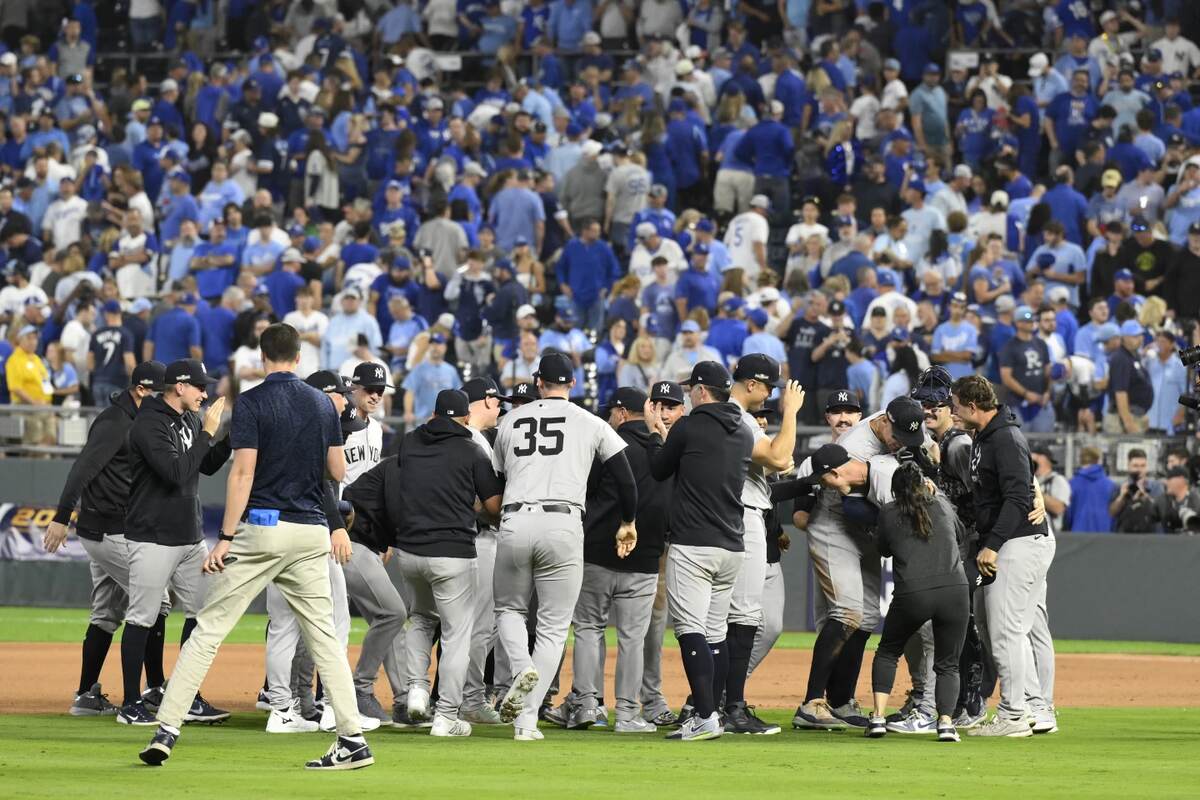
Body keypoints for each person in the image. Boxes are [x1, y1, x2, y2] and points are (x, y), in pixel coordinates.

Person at [137, 325, 374, 771]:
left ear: (263, 357)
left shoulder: (253, 401)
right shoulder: (322, 402)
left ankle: (166, 730)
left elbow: (241, 474)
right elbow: (337, 469)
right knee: (325, 638)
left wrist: (224, 537)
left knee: (208, 630)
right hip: (310, 532)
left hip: (263, 528)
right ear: (298, 357)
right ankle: (353, 739)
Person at [490, 352, 637, 741]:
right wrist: (628, 521)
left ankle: (520, 667)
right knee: (554, 628)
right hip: (564, 521)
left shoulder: (509, 421)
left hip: (515, 517)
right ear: (572, 384)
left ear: (539, 383)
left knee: (508, 609)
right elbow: (626, 478)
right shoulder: (590, 421)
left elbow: (497, 480)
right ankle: (526, 722)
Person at [792, 395, 927, 731]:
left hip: (863, 529)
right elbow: (855, 508)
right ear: (883, 424)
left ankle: (840, 700)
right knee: (847, 612)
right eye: (897, 437)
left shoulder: (895, 421)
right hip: (834, 521)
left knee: (866, 616)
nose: (900, 444)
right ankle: (811, 703)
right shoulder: (856, 447)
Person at [42, 362, 167, 717]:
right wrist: (60, 518)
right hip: (110, 530)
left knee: (107, 613)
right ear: (142, 391)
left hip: (111, 528)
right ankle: (155, 688)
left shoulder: (138, 420)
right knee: (155, 598)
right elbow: (82, 468)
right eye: (160, 392)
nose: (165, 399)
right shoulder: (116, 422)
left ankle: (86, 694)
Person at [643, 360, 753, 741]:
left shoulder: (688, 426)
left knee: (690, 630)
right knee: (715, 633)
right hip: (732, 545)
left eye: (692, 388)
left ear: (702, 391)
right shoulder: (743, 431)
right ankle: (714, 713)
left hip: (694, 543)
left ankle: (705, 715)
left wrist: (658, 433)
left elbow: (659, 470)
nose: (689, 393)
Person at [119, 359, 232, 727]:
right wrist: (207, 433)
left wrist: (229, 433)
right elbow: (175, 472)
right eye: (199, 386)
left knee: (202, 614)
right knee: (141, 618)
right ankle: (131, 703)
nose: (205, 393)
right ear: (179, 387)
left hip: (188, 535)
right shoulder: (148, 423)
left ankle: (186, 695)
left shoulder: (187, 418)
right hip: (152, 536)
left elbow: (208, 464)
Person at [553, 387, 670, 733]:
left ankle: (588, 705)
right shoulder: (661, 450)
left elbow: (582, 494)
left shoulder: (602, 446)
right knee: (633, 638)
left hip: (597, 552)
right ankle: (629, 715)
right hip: (646, 557)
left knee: (589, 629)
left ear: (620, 413)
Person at [950, 375, 1056, 737]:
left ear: (973, 406)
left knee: (1008, 631)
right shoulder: (989, 434)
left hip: (1018, 542)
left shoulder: (1006, 438)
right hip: (1009, 541)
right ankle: (1028, 709)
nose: (953, 411)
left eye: (957, 405)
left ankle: (1014, 715)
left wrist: (992, 544)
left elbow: (1017, 498)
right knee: (1005, 631)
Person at [394, 389, 504, 737]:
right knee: (457, 634)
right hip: (453, 552)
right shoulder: (471, 450)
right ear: (465, 419)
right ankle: (445, 715)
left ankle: (415, 690)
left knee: (422, 620)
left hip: (410, 552)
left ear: (434, 414)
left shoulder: (410, 443)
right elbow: (494, 506)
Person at [717, 355, 804, 734]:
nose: (771, 393)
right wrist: (792, 413)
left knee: (729, 619)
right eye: (768, 386)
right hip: (741, 517)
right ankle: (729, 705)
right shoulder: (739, 419)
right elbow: (781, 457)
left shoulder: (726, 417)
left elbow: (776, 468)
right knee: (743, 618)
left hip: (730, 516)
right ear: (751, 384)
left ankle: (717, 701)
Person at [864, 462, 970, 743]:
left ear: (895, 490)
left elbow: (883, 548)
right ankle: (945, 723)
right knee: (948, 663)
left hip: (913, 592)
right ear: (924, 484)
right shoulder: (942, 506)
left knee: (888, 651)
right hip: (954, 590)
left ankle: (877, 717)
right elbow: (960, 535)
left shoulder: (889, 511)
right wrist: (936, 497)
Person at [1032, 446, 1071, 535]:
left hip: (1049, 536)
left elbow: (1058, 508)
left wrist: (1034, 491)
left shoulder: (1057, 480)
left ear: (1044, 459)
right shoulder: (1028, 480)